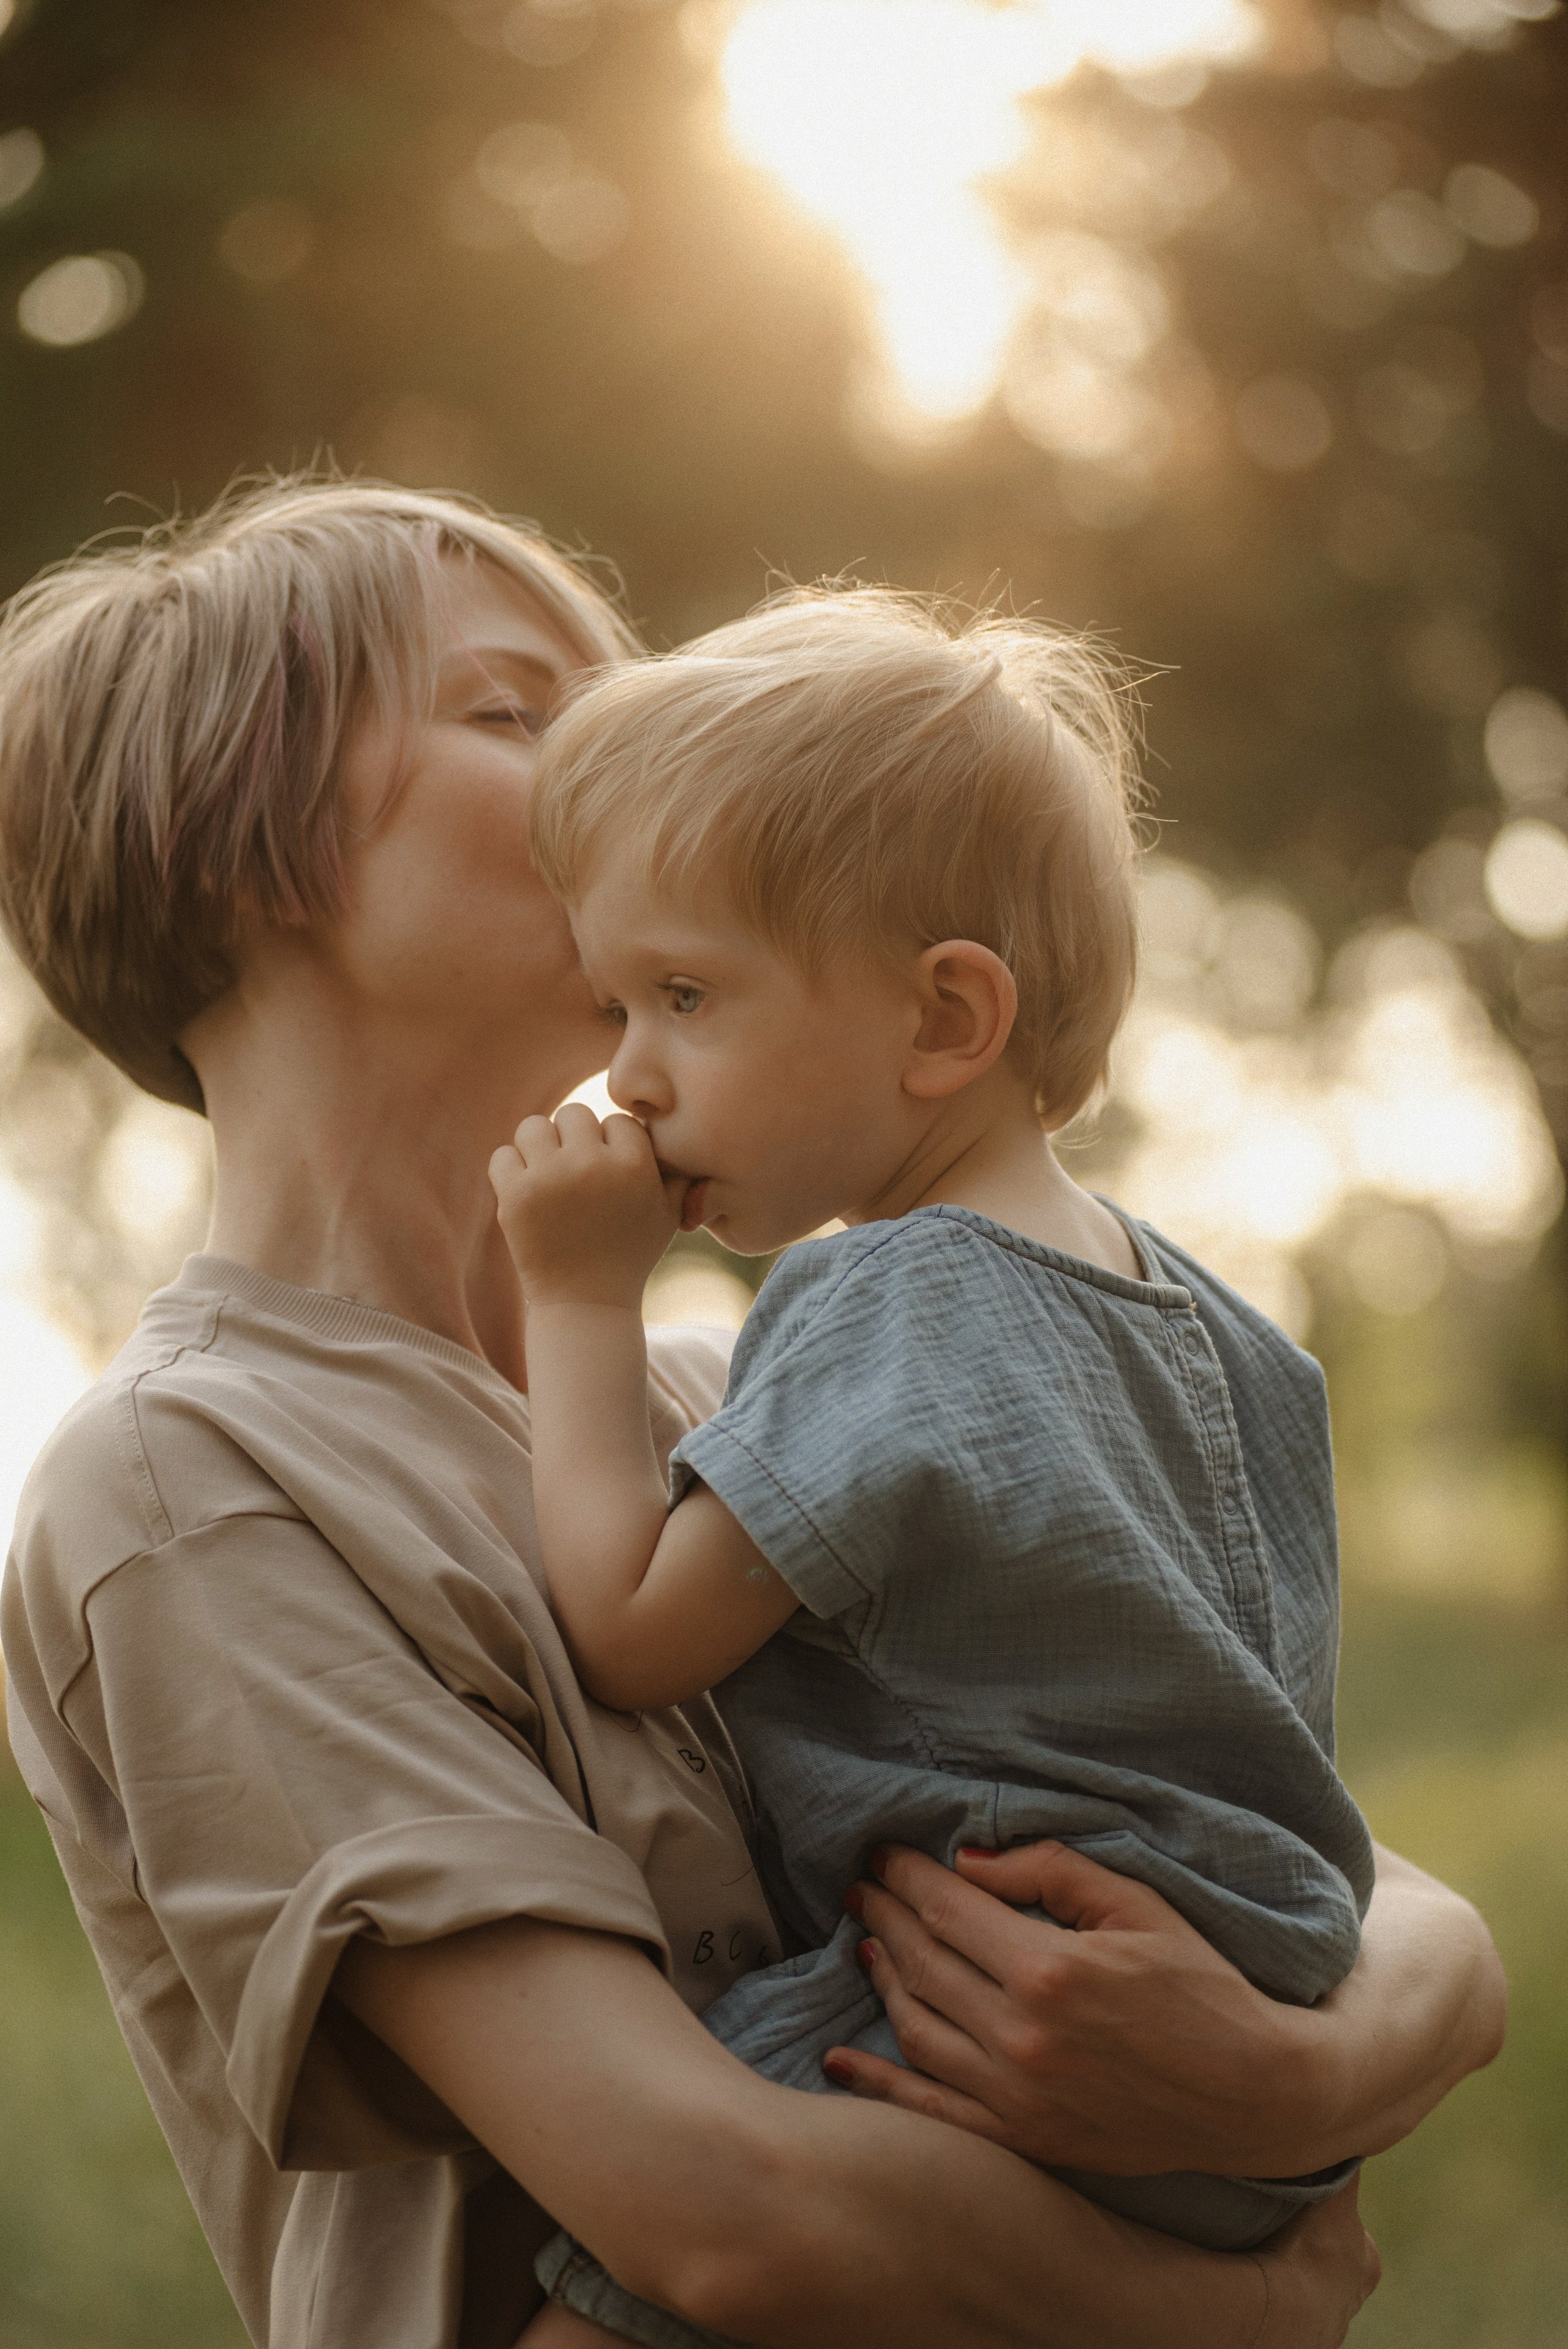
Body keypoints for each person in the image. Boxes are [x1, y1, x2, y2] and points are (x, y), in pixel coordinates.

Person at [0, 479, 1498, 2349]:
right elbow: (718, 2210)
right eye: (512, 710)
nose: (625, 755)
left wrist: (1288, 2077)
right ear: (231, 842)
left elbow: (1348, 1870)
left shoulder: (727, 1388)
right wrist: (1253, 2297)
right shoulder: (189, 1481)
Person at [488, 589, 1365, 2271]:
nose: (631, 1082)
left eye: (683, 994)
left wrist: (583, 1296)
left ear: (947, 1020)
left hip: (983, 1998)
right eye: (615, 1011)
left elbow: (630, 1629)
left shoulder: (885, 1296)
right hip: (1254, 2030)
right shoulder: (1238, 1338)